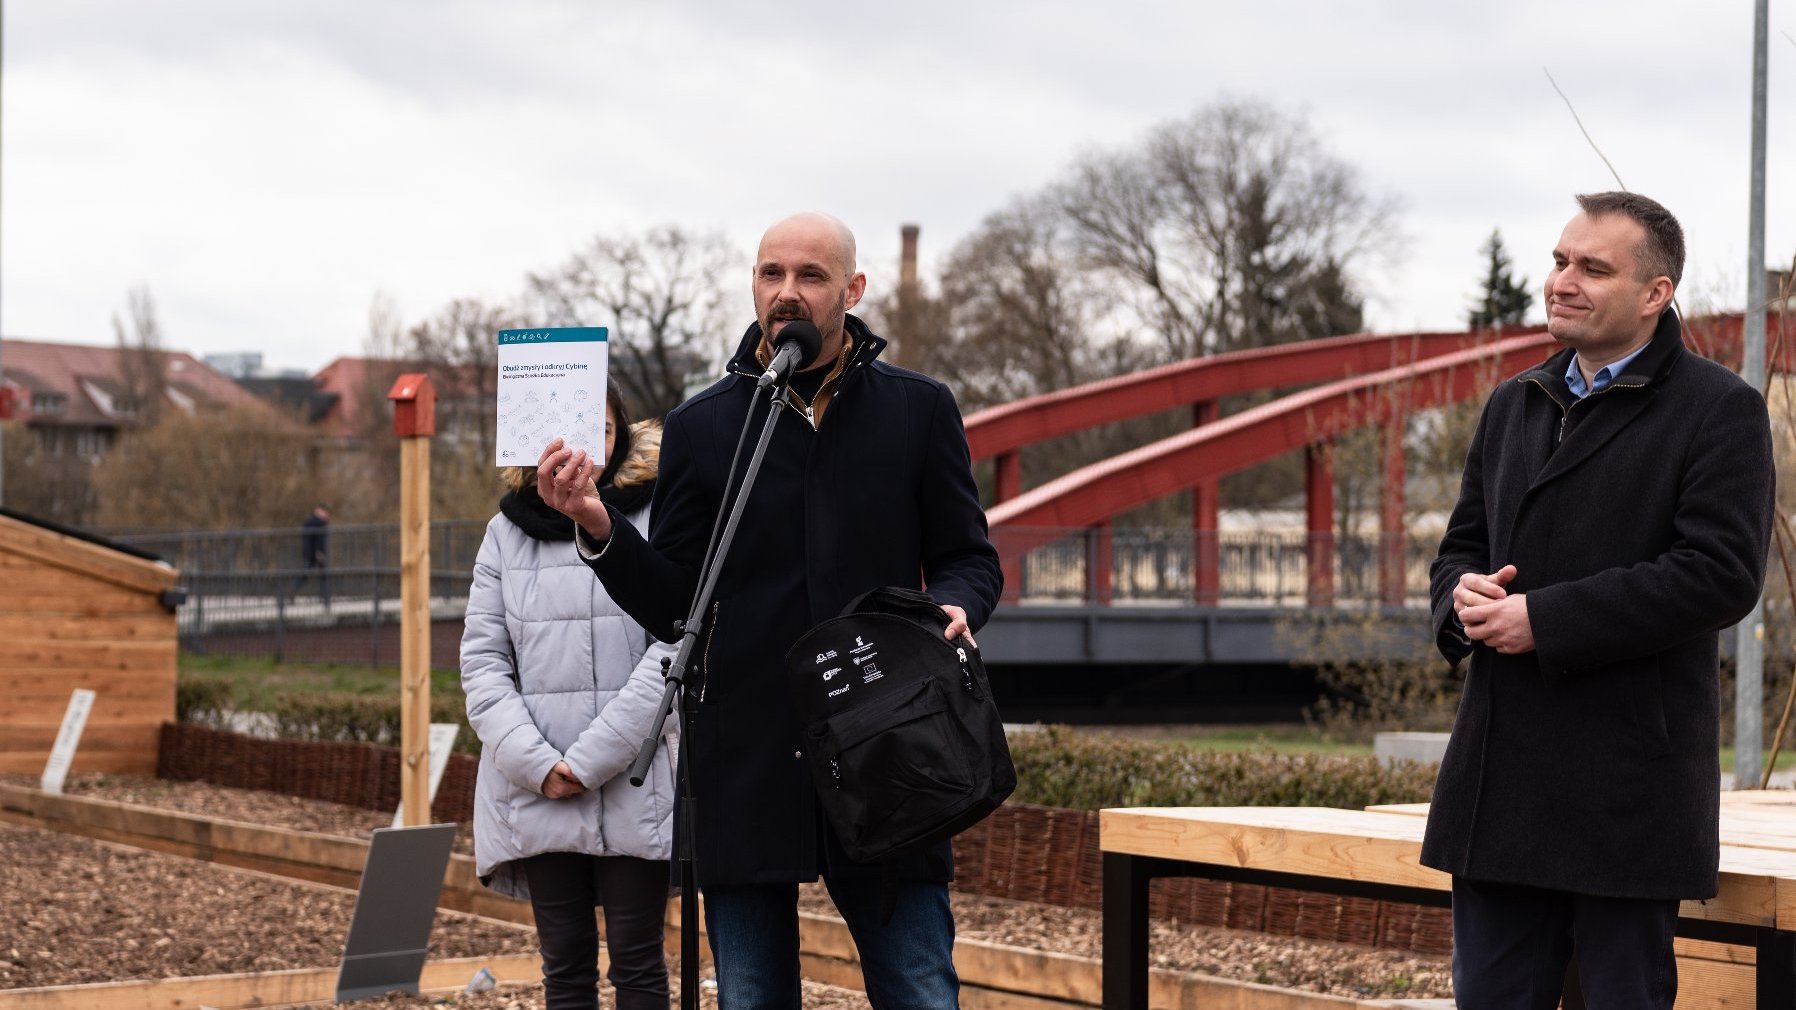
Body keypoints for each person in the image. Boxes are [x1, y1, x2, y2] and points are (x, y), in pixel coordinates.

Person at [536, 211, 1003, 1009]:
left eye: (811, 276)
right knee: (750, 997)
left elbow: (969, 556)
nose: (788, 293)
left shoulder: (918, 410)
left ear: (852, 290)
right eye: (771, 274)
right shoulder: (703, 426)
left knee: (921, 991)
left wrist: (953, 608)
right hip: (747, 758)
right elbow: (677, 601)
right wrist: (598, 524)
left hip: (889, 749)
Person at [1423, 192, 1776, 1009]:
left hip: (1626, 790)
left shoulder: (1720, 410)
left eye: (1592, 267)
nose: (1562, 281)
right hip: (1500, 784)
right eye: (1558, 260)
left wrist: (1543, 619)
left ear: (1656, 293)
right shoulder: (1515, 401)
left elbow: (1720, 572)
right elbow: (1460, 548)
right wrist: (1461, 598)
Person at [461, 386, 677, 1010]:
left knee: (639, 968)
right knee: (565, 974)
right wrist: (539, 764)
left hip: (637, 781)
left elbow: (674, 647)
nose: (588, 446)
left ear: (623, 434)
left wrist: (589, 761)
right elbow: (482, 660)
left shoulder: (660, 517)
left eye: (602, 428)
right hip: (536, 787)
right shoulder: (504, 534)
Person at [299, 504, 330, 605]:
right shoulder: (318, 523)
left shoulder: (310, 522)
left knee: (312, 575)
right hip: (315, 553)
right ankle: (324, 598)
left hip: (310, 552)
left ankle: (324, 597)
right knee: (321, 575)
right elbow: (318, 540)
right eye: (323, 512)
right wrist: (320, 551)